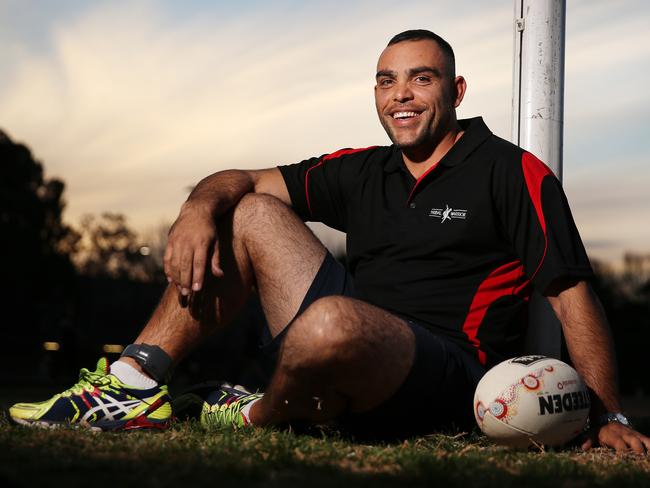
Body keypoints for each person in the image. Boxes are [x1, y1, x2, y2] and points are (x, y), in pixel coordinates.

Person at [10, 30, 650, 452]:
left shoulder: (510, 172)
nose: (400, 94)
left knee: (331, 325)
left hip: (451, 370)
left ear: (455, 92)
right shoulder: (364, 168)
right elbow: (244, 180)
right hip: (347, 332)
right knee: (250, 211)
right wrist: (198, 208)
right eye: (386, 80)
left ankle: (260, 413)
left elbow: (570, 293)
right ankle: (134, 382)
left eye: (420, 79)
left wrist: (608, 416)